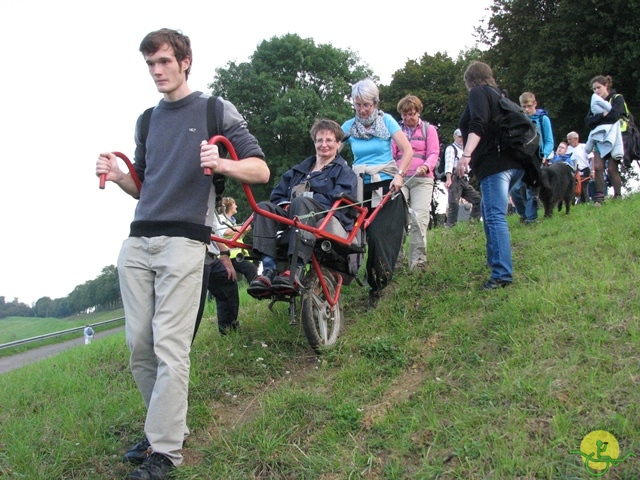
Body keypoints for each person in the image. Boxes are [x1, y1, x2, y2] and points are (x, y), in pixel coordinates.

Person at [95, 28, 268, 479]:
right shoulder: (147, 121)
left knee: (170, 345)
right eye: (150, 64)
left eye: (165, 62)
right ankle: (164, 428)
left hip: (187, 241)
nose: (157, 71)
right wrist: (119, 176)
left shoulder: (214, 110)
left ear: (186, 61)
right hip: (138, 240)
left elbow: (261, 168)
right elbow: (146, 188)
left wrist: (224, 164)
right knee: (139, 346)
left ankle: (166, 452)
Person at [248, 119, 358, 297]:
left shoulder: (344, 172)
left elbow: (341, 199)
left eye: (329, 140)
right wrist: (284, 204)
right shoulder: (299, 170)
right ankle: (268, 271)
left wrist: (303, 200)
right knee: (263, 208)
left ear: (338, 143)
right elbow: (277, 194)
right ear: (314, 142)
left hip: (325, 217)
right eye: (319, 140)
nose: (324, 145)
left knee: (301, 202)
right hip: (291, 217)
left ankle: (295, 270)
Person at [342, 79, 414, 308]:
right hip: (360, 188)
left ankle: (378, 284)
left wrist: (400, 174)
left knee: (379, 236)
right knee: (352, 237)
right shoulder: (348, 127)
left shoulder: (387, 122)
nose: (362, 110)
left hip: (385, 185)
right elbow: (331, 148)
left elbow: (408, 150)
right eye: (358, 105)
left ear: (375, 103)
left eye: (367, 105)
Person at [457, 61, 525, 290]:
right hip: (515, 163)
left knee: (495, 216)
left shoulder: (478, 93)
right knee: (488, 210)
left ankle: (501, 274)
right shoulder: (500, 95)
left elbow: (478, 124)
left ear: (469, 79)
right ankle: (494, 263)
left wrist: (466, 155)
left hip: (495, 165)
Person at [390, 95, 439, 270]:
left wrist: (426, 166)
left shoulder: (429, 129)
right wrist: (398, 172)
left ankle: (418, 263)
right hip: (401, 179)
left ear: (418, 112)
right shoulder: (397, 132)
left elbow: (434, 153)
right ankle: (396, 261)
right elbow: (392, 155)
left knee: (419, 219)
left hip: (422, 180)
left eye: (411, 114)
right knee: (397, 220)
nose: (408, 118)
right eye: (404, 115)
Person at [509, 92, 555, 224]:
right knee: (515, 189)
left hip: (537, 158)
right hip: (522, 158)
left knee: (531, 189)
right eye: (523, 106)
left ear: (535, 104)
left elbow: (549, 140)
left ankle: (531, 218)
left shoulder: (543, 119)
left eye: (529, 106)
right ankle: (523, 214)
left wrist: (544, 155)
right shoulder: (520, 119)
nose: (526, 109)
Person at [585, 75, 627, 204]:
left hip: (616, 138)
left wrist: (599, 118)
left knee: (612, 169)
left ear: (606, 86)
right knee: (598, 167)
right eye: (594, 89)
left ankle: (618, 195)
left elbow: (615, 115)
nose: (596, 91)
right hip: (599, 138)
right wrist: (602, 116)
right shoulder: (594, 103)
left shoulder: (617, 98)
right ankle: (599, 197)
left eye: (599, 87)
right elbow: (588, 121)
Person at [444, 129, 481, 227]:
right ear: (454, 137)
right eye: (460, 137)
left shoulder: (465, 150)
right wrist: (448, 178)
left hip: (464, 179)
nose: (462, 139)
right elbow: (448, 164)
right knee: (454, 204)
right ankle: (450, 227)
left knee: (478, 200)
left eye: (463, 137)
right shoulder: (451, 148)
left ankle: (472, 223)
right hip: (455, 178)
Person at [216, 197, 258, 283]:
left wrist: (244, 231)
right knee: (250, 268)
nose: (236, 206)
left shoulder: (232, 222)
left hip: (234, 255)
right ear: (229, 206)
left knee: (228, 278)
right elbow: (226, 232)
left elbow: (236, 237)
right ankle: (256, 289)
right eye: (234, 204)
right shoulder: (221, 219)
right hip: (227, 255)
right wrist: (242, 228)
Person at [566, 131, 593, 204]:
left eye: (570, 139)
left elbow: (591, 158)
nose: (568, 141)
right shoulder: (567, 149)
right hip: (572, 171)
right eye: (568, 139)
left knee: (583, 188)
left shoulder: (583, 147)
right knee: (572, 188)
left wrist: (592, 170)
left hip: (584, 169)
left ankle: (586, 202)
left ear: (576, 139)